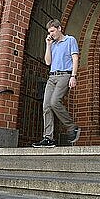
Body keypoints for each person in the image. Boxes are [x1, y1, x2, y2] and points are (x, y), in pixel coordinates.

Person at [32, 19, 81, 148]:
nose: (51, 34)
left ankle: (72, 127)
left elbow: (75, 58)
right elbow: (48, 62)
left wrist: (73, 76)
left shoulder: (70, 40)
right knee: (46, 106)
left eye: (53, 31)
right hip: (52, 77)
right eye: (49, 32)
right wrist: (48, 45)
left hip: (65, 75)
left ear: (59, 28)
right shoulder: (52, 44)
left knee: (54, 102)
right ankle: (48, 138)